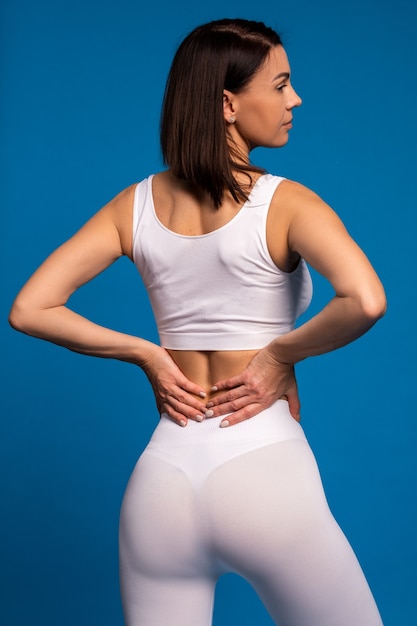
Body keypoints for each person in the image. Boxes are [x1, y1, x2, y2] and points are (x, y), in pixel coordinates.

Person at [9, 17, 386, 626]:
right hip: (265, 475)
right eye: (282, 84)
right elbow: (365, 300)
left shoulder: (132, 206)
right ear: (229, 104)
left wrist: (148, 354)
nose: (295, 100)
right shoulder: (287, 202)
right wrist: (280, 356)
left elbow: (29, 308)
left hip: (162, 484)